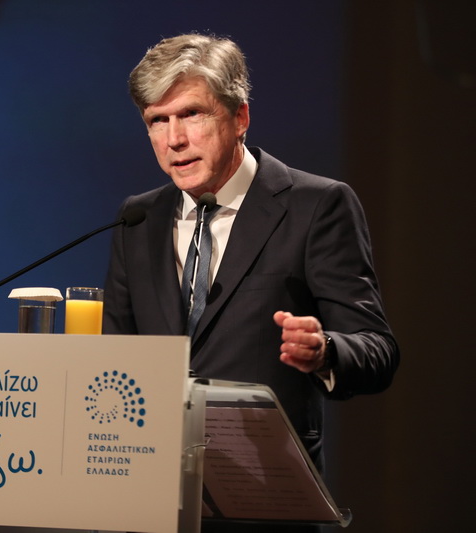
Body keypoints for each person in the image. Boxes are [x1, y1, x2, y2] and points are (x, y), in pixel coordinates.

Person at [102, 33, 399, 531]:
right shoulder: (139, 218)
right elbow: (116, 359)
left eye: (192, 114)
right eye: (157, 120)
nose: (174, 140)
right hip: (152, 504)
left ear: (239, 117)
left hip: (264, 504)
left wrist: (325, 350)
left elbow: (378, 350)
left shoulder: (316, 206)